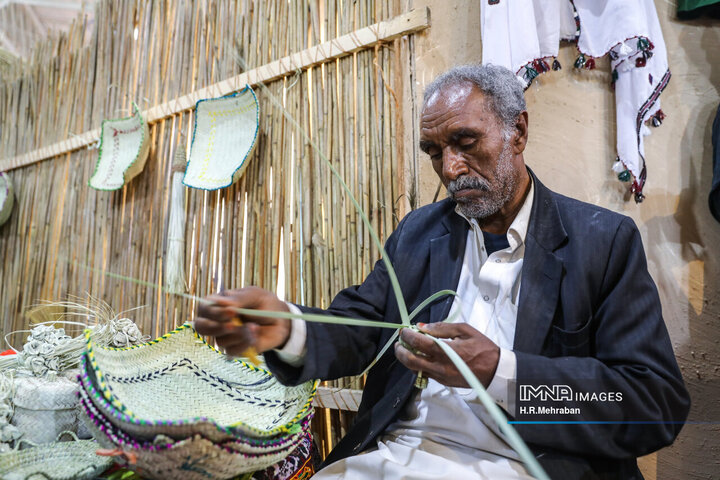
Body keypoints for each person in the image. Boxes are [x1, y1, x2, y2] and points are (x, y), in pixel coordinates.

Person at [194, 64, 690, 479]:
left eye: (465, 141)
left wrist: (502, 373)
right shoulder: (419, 233)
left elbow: (653, 404)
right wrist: (287, 328)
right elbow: (361, 329)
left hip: (527, 465)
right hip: (396, 456)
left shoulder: (601, 242)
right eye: (435, 152)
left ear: (517, 131)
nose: (451, 169)